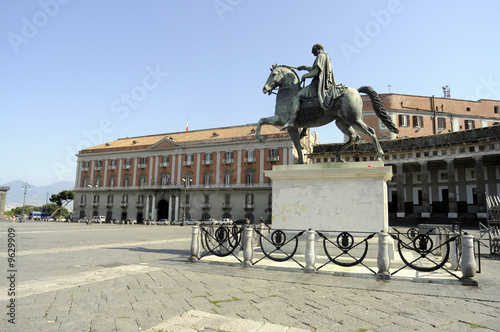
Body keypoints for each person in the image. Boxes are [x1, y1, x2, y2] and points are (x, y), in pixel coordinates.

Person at [281, 43, 345, 130]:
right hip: (324, 82)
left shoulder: (320, 56)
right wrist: (304, 67)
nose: (312, 53)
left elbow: (316, 72)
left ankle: (291, 120)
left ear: (318, 49)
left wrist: (304, 76)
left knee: (297, 97)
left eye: (313, 51)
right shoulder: (326, 56)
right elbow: (315, 68)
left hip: (317, 84)